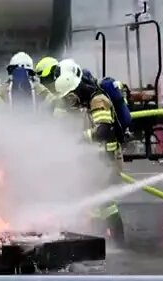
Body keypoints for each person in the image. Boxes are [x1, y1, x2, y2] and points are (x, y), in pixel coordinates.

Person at [52, 59, 132, 240]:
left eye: (71, 94)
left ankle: (118, 244)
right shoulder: (86, 101)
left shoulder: (98, 100)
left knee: (105, 204)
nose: (70, 99)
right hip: (97, 160)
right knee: (95, 204)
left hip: (108, 161)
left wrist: (80, 138)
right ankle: (101, 241)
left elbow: (103, 130)